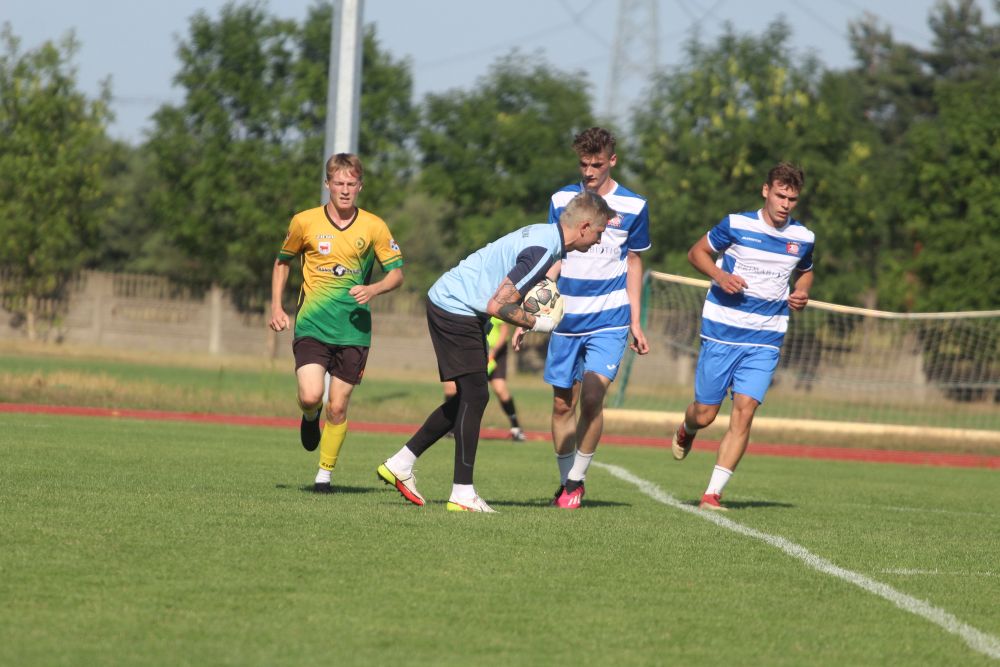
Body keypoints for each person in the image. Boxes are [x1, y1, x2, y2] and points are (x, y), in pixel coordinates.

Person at [377, 191, 614, 513]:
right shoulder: (544, 250)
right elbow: (498, 304)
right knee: (475, 396)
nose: (599, 240)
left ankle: (400, 463)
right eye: (599, 232)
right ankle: (462, 493)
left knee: (468, 397)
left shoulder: (545, 236)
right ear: (584, 226)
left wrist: (524, 317)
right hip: (456, 308)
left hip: (456, 305)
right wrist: (539, 323)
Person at [515, 127, 651, 510]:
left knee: (592, 396)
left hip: (610, 317)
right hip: (566, 319)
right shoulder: (561, 200)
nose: (589, 171)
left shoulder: (634, 205)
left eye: (597, 164)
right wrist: (529, 310)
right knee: (563, 405)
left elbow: (634, 262)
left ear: (612, 161)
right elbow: (552, 255)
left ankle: (576, 480)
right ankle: (565, 484)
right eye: (583, 164)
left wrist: (635, 321)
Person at [671, 162, 815, 511]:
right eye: (780, 196)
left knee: (745, 411)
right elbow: (696, 253)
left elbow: (806, 272)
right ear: (766, 191)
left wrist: (802, 291)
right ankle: (687, 428)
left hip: (766, 337)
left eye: (792, 199)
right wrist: (720, 276)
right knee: (705, 414)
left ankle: (712, 494)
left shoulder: (803, 238)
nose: (785, 204)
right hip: (722, 330)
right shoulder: (736, 225)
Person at [269, 153, 404, 493]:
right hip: (313, 324)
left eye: (351, 184)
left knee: (339, 406)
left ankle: (324, 476)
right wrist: (276, 306)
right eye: (339, 183)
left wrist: (373, 289)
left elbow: (397, 275)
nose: (345, 190)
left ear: (360, 186)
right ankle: (309, 415)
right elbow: (282, 262)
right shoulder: (304, 222)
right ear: (327, 184)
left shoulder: (374, 226)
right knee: (311, 396)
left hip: (354, 330)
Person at [441, 316, 527, 441]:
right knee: (451, 388)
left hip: (495, 354)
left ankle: (516, 428)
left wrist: (493, 352)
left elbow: (504, 332)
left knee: (500, 389)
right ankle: (450, 427)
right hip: (474, 350)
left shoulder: (496, 308)